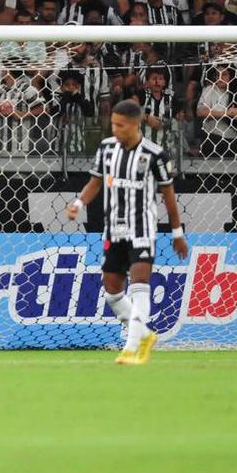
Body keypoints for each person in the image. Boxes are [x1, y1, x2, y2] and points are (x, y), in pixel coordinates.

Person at [66, 100, 188, 366]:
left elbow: (168, 197)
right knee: (112, 291)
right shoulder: (107, 148)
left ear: (135, 124)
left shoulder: (155, 155)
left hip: (142, 228)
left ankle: (132, 347)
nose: (115, 129)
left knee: (140, 284)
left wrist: (177, 233)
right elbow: (95, 182)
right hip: (114, 230)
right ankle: (144, 335)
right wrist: (78, 203)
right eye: (113, 124)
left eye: (120, 125)